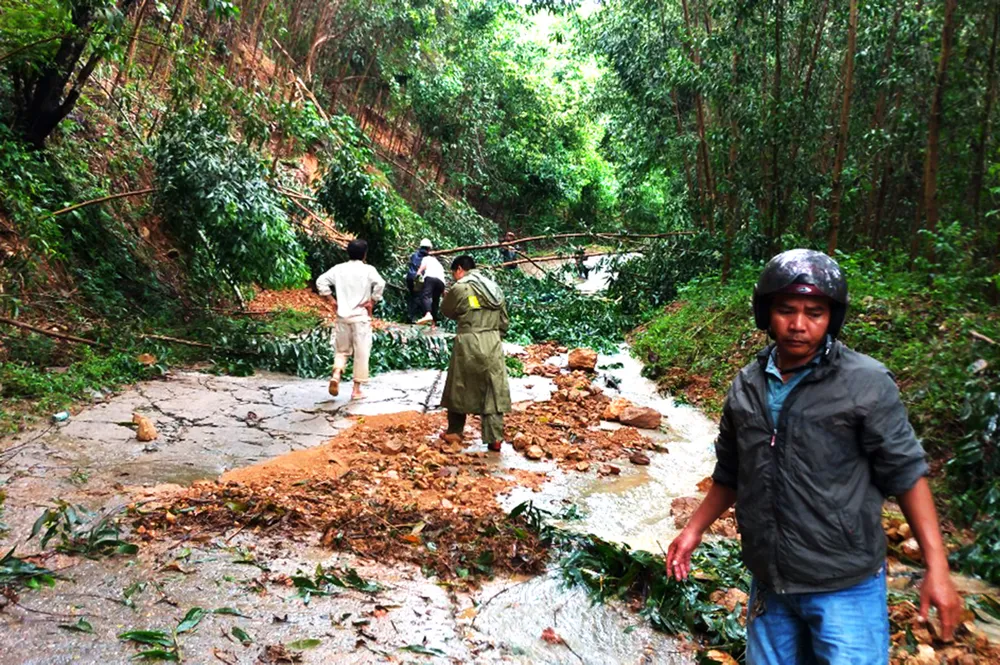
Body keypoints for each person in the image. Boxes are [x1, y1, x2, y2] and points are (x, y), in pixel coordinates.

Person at [665, 249, 960, 665]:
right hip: (771, 583)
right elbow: (731, 473)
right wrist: (693, 530)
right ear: (766, 313)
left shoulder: (866, 383)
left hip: (845, 586)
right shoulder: (747, 385)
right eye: (786, 310)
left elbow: (907, 473)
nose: (798, 325)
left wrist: (937, 567)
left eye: (814, 313)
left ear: (831, 318)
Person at [440, 255, 511, 451]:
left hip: (468, 340)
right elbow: (504, 321)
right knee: (493, 389)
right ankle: (494, 438)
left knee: (459, 385)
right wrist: (495, 336)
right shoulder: (494, 288)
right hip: (493, 341)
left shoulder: (461, 287)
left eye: (453, 273)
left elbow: (446, 310)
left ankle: (454, 431)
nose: (454, 277)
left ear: (460, 269)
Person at [315, 239, 386, 400]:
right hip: (360, 317)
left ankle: (336, 374)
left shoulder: (339, 269)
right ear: (364, 254)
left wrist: (332, 300)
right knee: (361, 352)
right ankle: (356, 390)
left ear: (348, 252)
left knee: (341, 350)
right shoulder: (368, 270)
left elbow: (321, 281)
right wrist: (373, 301)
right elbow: (380, 283)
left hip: (342, 317)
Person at [415, 250, 446, 325]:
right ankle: (433, 323)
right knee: (435, 301)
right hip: (441, 282)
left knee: (425, 295)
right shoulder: (439, 264)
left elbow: (422, 268)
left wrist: (417, 276)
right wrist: (443, 291)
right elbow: (442, 276)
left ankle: (428, 314)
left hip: (430, 278)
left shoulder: (426, 258)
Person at [406, 239, 432, 323]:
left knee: (413, 296)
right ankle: (412, 317)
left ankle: (412, 315)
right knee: (418, 297)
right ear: (428, 248)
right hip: (418, 279)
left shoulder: (414, 255)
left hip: (409, 277)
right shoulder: (427, 257)